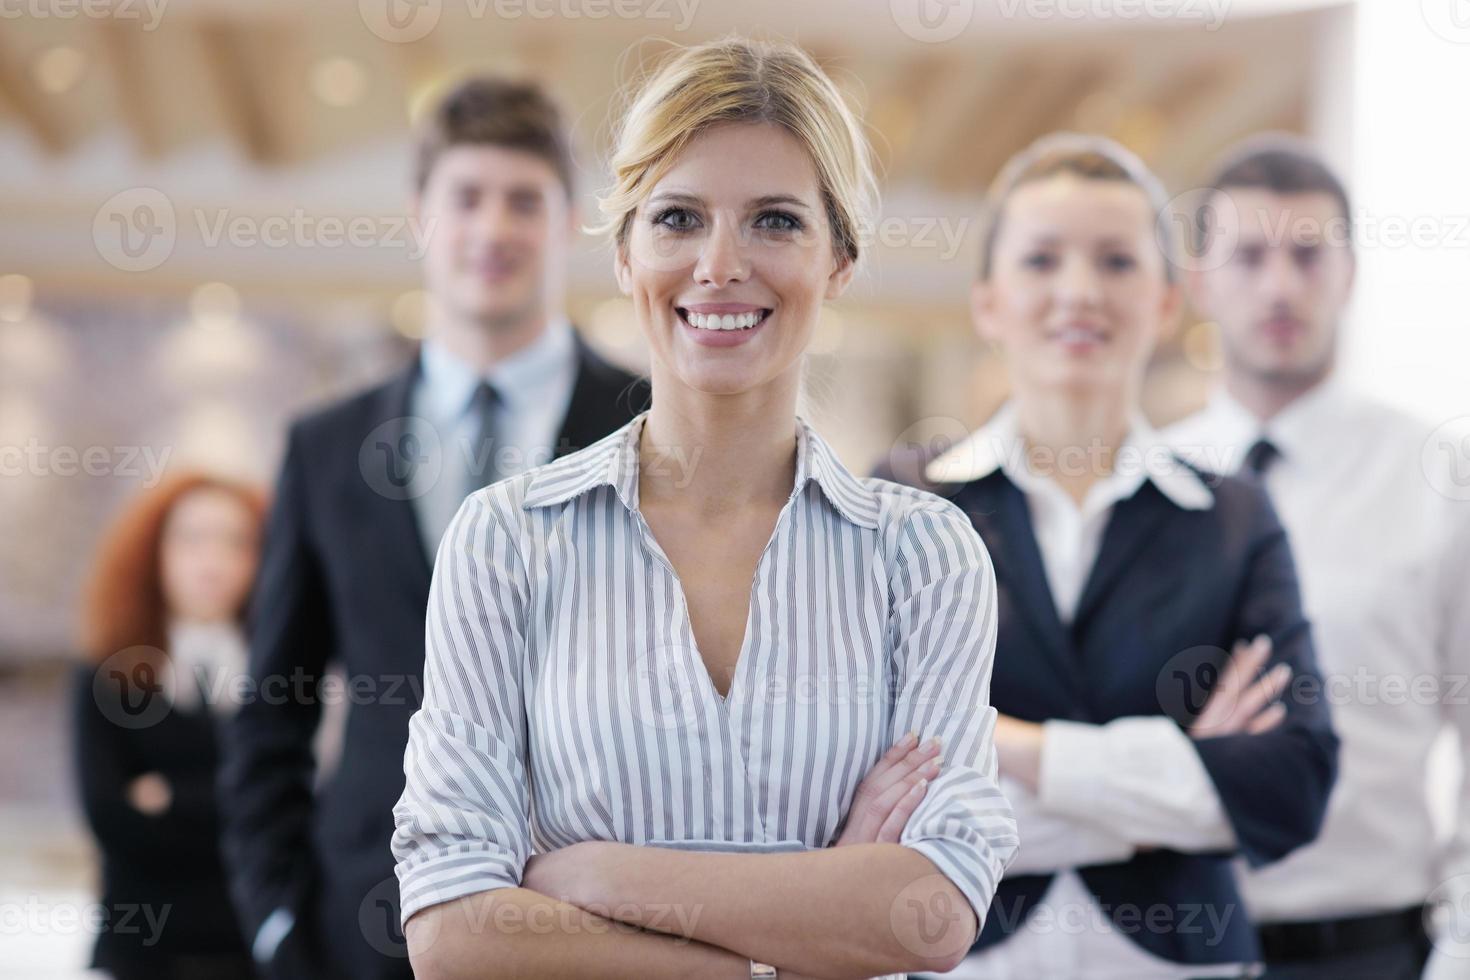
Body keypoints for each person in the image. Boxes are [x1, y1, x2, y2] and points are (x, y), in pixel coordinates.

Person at [390, 37, 1018, 979]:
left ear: (840, 259)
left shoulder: (924, 556)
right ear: (625, 251)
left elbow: (930, 910)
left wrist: (594, 876)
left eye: (775, 221)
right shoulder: (507, 540)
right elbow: (451, 930)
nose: (720, 265)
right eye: (678, 218)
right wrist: (800, 934)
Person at [216, 77, 649, 980]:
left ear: (569, 220)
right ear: (421, 216)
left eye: (524, 200)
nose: (493, 229)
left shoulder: (650, 425)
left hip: (600, 918)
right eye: (467, 198)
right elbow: (272, 715)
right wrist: (277, 928)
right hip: (359, 922)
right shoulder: (326, 448)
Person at [881, 133, 1339, 979]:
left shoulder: (1233, 513)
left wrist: (1006, 747)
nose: (1080, 291)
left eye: (1118, 261)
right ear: (989, 303)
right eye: (1043, 260)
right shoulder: (907, 504)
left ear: (1168, 302)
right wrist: (1188, 783)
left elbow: (1291, 782)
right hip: (959, 960)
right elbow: (872, 785)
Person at [1166, 136, 1470, 980]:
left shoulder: (1442, 479)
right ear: (1200, 281)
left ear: (1350, 275)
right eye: (1250, 256)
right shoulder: (1147, 483)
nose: (1280, 286)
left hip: (1374, 949)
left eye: (1308, 255)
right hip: (1167, 946)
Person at [73, 472, 267, 980]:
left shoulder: (282, 677)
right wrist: (235, 801)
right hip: (140, 953)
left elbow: (291, 811)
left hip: (253, 953)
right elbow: (109, 816)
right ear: (152, 552)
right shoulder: (108, 673)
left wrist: (173, 798)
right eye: (192, 539)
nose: (212, 561)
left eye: (236, 542)